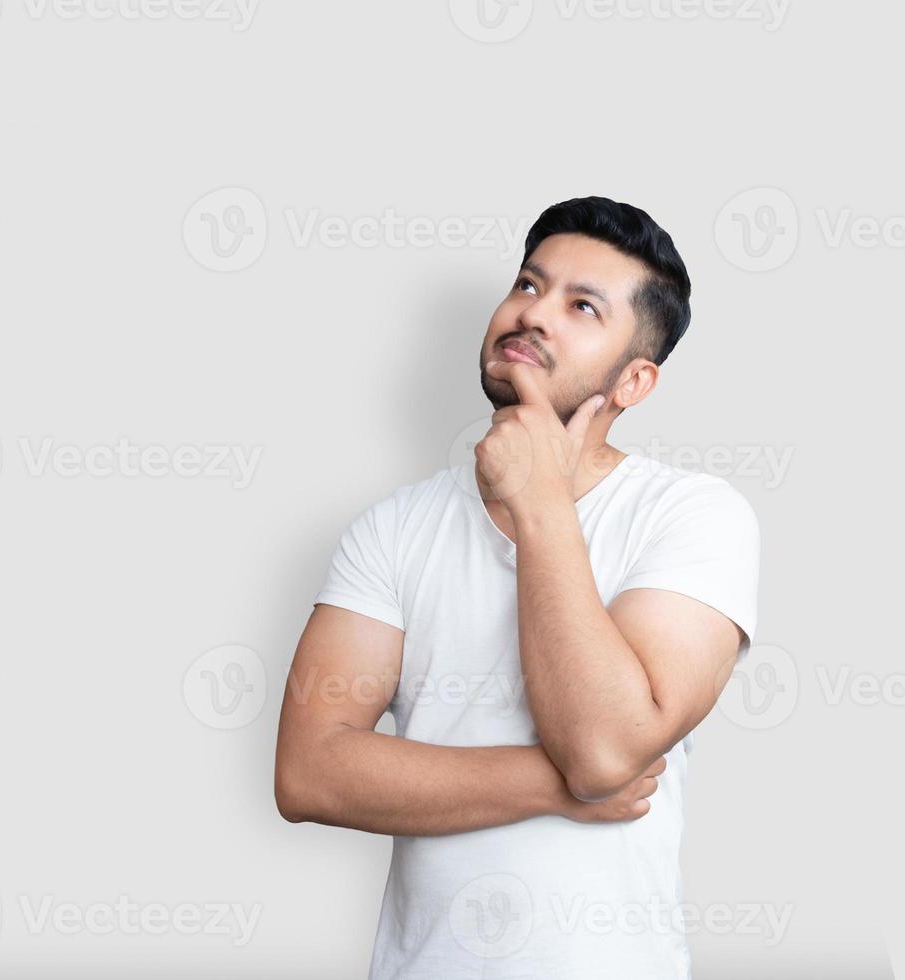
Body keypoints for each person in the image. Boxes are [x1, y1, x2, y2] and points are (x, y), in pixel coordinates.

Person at [273, 196, 761, 978]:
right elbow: (309, 773)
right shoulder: (393, 528)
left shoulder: (693, 517)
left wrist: (539, 502)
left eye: (581, 306)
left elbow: (602, 745)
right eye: (529, 285)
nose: (535, 314)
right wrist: (562, 788)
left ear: (634, 381)